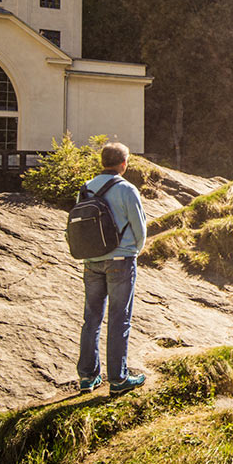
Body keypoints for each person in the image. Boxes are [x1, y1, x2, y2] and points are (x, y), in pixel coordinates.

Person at [76, 141, 148, 395]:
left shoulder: (85, 189)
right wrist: (132, 251)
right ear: (123, 164)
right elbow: (140, 229)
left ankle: (88, 377)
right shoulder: (127, 189)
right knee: (119, 319)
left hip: (91, 261)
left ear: (102, 162)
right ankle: (118, 379)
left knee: (91, 319)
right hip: (120, 261)